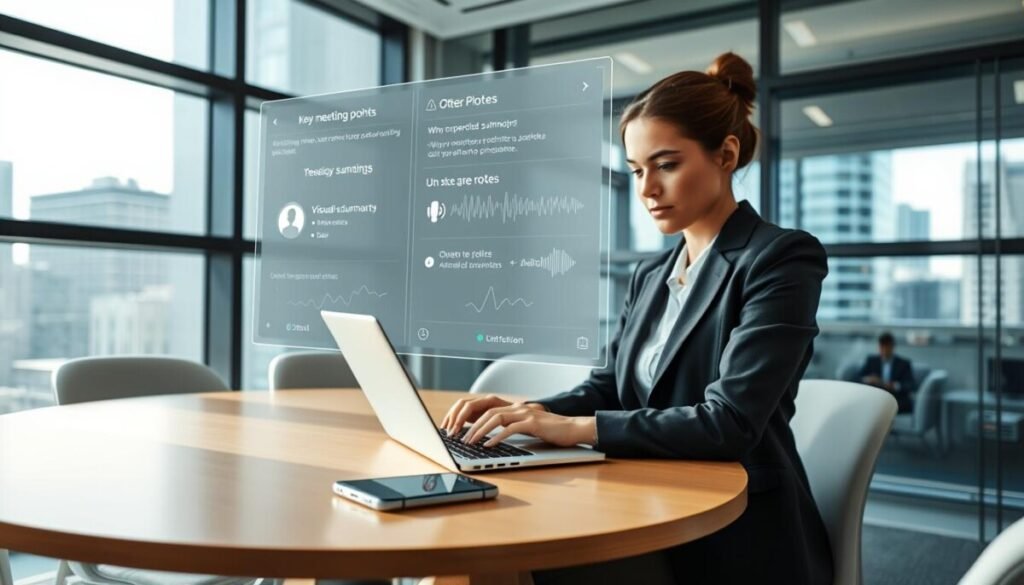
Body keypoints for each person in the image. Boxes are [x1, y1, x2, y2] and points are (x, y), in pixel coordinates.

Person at [440, 52, 833, 584]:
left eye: (667, 165)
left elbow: (729, 423)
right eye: (636, 170)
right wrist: (526, 412)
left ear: (726, 154)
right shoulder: (652, 275)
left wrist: (571, 429)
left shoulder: (780, 258)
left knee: (497, 561)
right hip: (639, 501)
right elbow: (609, 387)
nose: (647, 189)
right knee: (477, 550)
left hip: (729, 534)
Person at [859, 331, 916, 414]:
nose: (884, 349)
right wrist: (867, 379)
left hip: (896, 399)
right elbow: (858, 378)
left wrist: (895, 386)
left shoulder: (904, 364)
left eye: (887, 346)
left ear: (892, 347)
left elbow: (911, 385)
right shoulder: (871, 361)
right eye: (882, 346)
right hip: (875, 397)